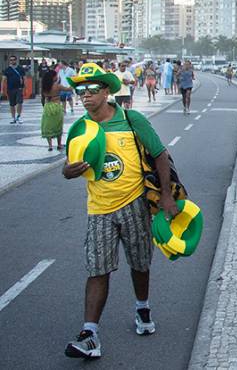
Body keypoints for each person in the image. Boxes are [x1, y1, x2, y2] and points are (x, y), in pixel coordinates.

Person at [62, 63, 178, 360]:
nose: (84, 96)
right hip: (98, 210)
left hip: (134, 204)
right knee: (97, 270)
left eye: (90, 90)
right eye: (80, 91)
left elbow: (160, 154)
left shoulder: (130, 119)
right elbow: (70, 166)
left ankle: (142, 308)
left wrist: (166, 196)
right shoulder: (82, 128)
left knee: (140, 264)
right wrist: (68, 171)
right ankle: (89, 334)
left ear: (106, 92)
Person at [41, 69, 71, 151]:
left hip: (47, 107)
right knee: (58, 125)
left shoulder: (44, 86)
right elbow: (69, 89)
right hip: (56, 106)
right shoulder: (57, 86)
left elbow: (43, 98)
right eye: (56, 75)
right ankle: (59, 144)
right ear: (53, 77)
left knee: (48, 126)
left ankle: (50, 145)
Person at [3, 55, 26, 124]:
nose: (12, 61)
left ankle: (18, 117)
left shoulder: (20, 69)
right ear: (9, 61)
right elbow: (3, 80)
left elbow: (24, 78)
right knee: (12, 104)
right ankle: (13, 118)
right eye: (11, 60)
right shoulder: (7, 70)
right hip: (10, 89)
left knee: (20, 102)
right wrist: (2, 89)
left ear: (16, 60)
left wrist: (25, 88)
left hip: (19, 88)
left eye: (13, 59)